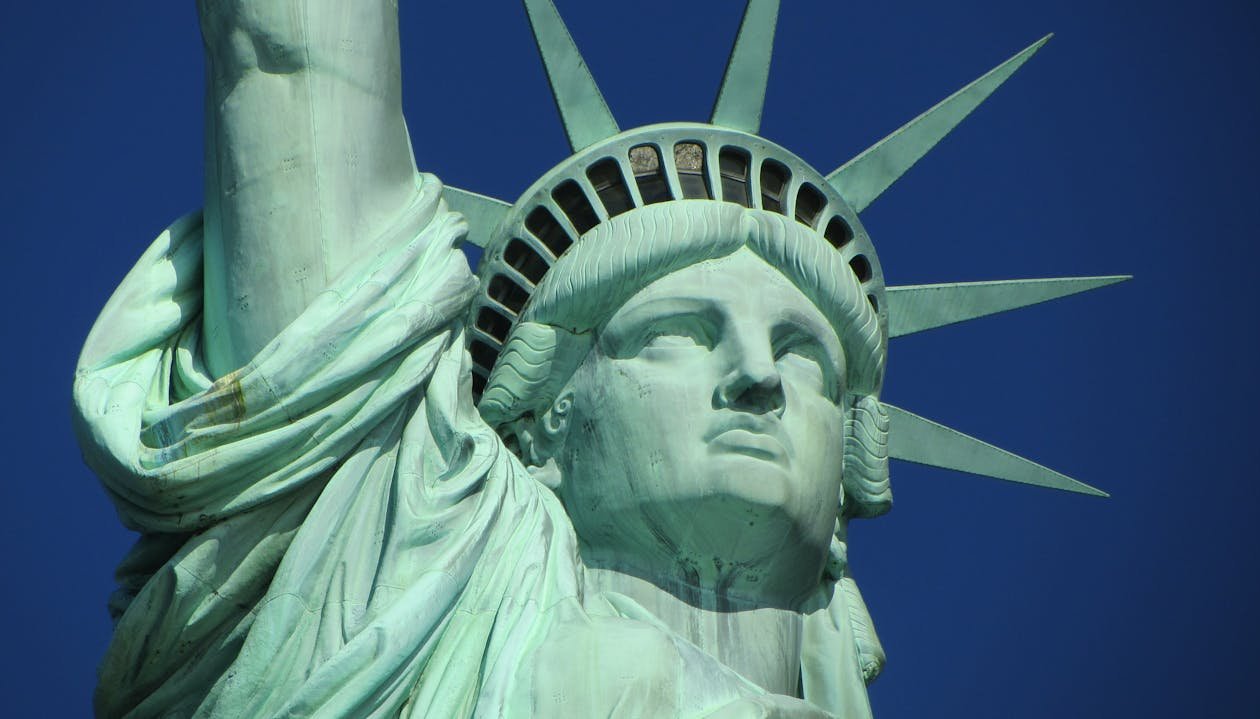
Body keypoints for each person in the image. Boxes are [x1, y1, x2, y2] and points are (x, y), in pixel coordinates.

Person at [73, 1, 888, 716]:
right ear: (538, 429)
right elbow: (287, 52)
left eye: (806, 356)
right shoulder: (388, 575)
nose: (760, 376)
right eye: (677, 333)